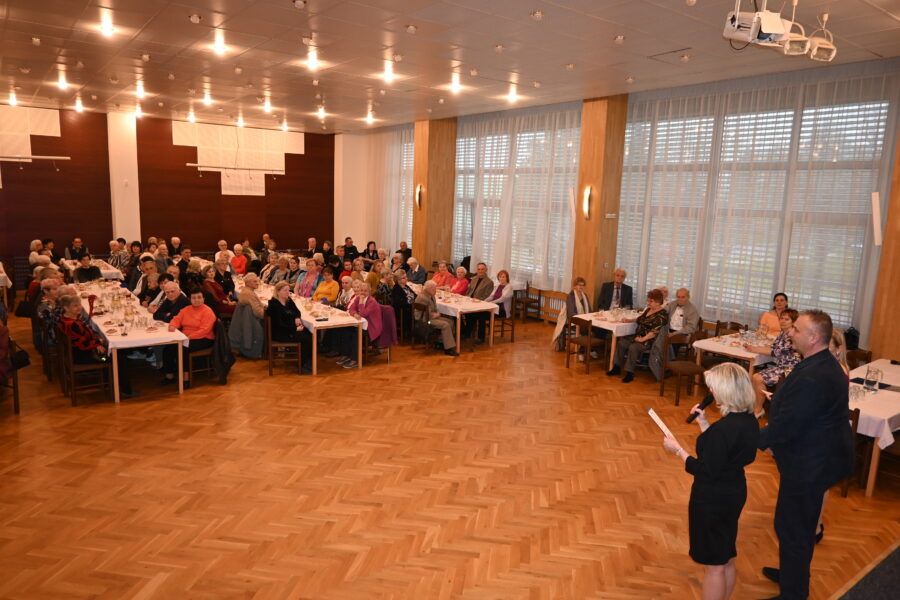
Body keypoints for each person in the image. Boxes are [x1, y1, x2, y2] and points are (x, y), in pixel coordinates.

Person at [757, 310, 854, 600]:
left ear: (813, 337)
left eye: (797, 330)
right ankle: (792, 574)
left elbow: (791, 422)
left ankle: (794, 592)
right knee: (797, 525)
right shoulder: (820, 363)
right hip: (813, 458)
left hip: (810, 464)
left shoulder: (815, 375)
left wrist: (753, 438)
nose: (790, 332)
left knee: (793, 527)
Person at [662, 363, 760, 600]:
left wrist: (678, 450)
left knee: (714, 565)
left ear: (726, 391)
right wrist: (704, 424)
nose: (711, 392)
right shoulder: (749, 420)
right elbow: (722, 455)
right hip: (734, 489)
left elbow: (704, 469)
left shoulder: (723, 430)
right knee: (726, 554)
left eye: (714, 387)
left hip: (712, 499)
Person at [57, 294, 132, 396]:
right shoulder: (71, 324)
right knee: (118, 356)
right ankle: (125, 390)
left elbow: (86, 335)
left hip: (79, 353)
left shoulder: (66, 319)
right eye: (75, 305)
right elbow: (81, 343)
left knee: (113, 351)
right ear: (66, 308)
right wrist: (96, 344)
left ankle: (108, 379)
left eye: (79, 304)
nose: (79, 307)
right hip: (85, 357)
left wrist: (97, 341)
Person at [745, 308, 801, 418]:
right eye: (781, 318)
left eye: (787, 319)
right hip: (781, 367)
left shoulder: (792, 335)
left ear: (793, 321)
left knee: (757, 378)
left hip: (790, 370)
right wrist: (755, 347)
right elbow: (774, 347)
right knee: (755, 377)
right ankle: (758, 408)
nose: (783, 321)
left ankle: (758, 409)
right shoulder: (783, 333)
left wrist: (754, 348)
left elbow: (775, 352)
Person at [607, 288, 668, 383]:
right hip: (638, 336)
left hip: (649, 340)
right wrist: (629, 320)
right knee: (622, 343)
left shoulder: (662, 315)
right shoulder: (649, 309)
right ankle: (616, 367)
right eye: (648, 300)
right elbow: (639, 319)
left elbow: (654, 332)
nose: (648, 303)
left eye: (651, 301)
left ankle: (629, 373)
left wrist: (642, 339)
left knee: (633, 347)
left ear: (658, 302)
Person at [163, 288, 216, 387]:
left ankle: (186, 378)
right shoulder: (186, 309)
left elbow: (205, 330)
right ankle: (169, 376)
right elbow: (176, 319)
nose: (196, 300)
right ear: (190, 299)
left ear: (203, 299)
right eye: (194, 298)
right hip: (186, 337)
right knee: (168, 348)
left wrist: (189, 337)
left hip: (204, 338)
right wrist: (172, 325)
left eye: (199, 297)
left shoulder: (207, 311)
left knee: (183, 349)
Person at [650, 288, 701, 381]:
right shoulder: (672, 304)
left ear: (688, 297)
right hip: (668, 330)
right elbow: (662, 312)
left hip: (682, 333)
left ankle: (666, 367)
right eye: (678, 297)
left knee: (666, 344)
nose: (680, 299)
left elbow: (691, 327)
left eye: (683, 297)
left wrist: (675, 333)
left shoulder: (692, 310)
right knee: (656, 338)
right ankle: (659, 366)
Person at [333, 281, 382, 369]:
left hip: (371, 327)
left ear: (369, 292)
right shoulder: (357, 298)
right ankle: (346, 355)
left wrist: (361, 302)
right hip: (361, 324)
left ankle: (355, 360)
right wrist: (355, 314)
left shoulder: (372, 302)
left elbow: (363, 313)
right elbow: (351, 309)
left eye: (365, 291)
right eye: (361, 290)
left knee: (356, 334)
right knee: (345, 330)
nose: (363, 292)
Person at [266, 281, 312, 373]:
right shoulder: (274, 304)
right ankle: (302, 365)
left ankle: (306, 362)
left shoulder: (288, 300)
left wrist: (297, 317)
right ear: (278, 292)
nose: (288, 292)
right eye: (285, 290)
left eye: (288, 290)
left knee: (310, 333)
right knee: (307, 339)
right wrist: (295, 328)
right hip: (281, 333)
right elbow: (279, 324)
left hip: (289, 329)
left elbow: (297, 311)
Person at [468, 269, 512, 345]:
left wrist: (491, 303)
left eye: (503, 277)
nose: (501, 279)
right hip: (493, 307)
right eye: (500, 277)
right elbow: (491, 296)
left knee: (482, 316)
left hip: (502, 310)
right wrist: (484, 302)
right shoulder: (497, 285)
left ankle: (481, 338)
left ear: (507, 278)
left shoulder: (509, 287)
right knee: (474, 313)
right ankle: (468, 333)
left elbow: (502, 299)